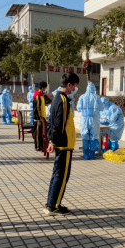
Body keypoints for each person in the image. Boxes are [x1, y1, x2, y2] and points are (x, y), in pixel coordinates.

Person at [45, 73, 79, 215]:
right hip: (64, 144)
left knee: (57, 174)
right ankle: (54, 206)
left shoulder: (57, 98)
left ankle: (51, 203)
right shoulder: (63, 101)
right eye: (75, 85)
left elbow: (52, 121)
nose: (76, 88)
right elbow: (58, 123)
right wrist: (53, 140)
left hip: (62, 143)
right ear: (69, 85)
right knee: (62, 175)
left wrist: (52, 140)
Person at [77, 82, 102, 160]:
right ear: (94, 89)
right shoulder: (97, 97)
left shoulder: (82, 97)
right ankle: (92, 155)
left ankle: (85, 155)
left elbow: (78, 108)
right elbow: (101, 108)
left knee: (85, 137)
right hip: (94, 120)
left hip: (84, 120)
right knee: (94, 137)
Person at [33, 82, 48, 151]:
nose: (45, 89)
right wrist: (38, 119)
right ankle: (38, 146)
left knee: (42, 133)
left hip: (42, 117)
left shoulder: (41, 96)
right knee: (38, 133)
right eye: (45, 88)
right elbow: (36, 109)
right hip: (38, 118)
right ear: (42, 88)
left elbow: (48, 101)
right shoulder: (37, 97)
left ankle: (42, 145)